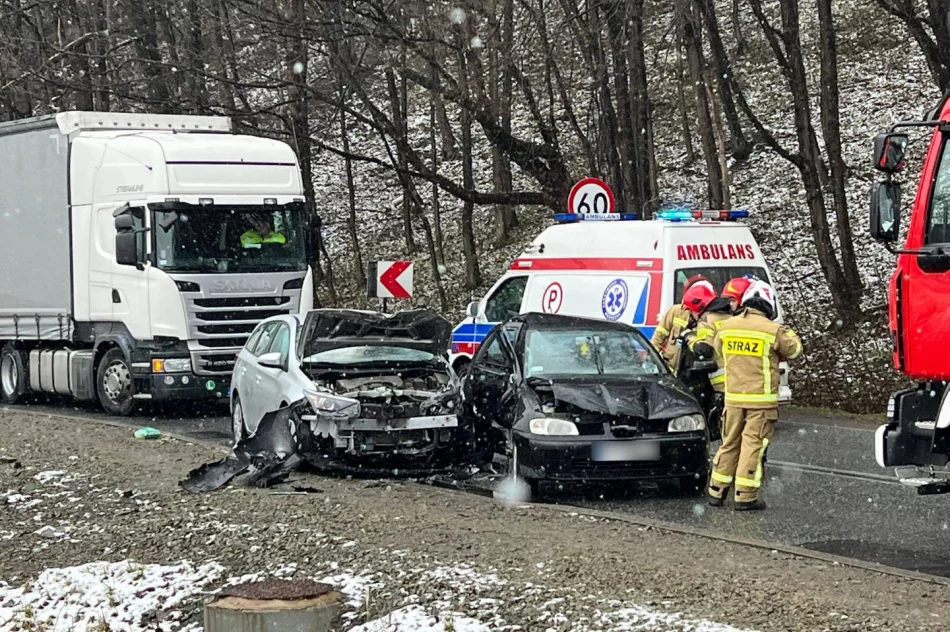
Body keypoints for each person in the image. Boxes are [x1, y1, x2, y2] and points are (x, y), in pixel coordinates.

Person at [707, 280, 802, 511]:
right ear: (768, 305)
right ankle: (745, 495)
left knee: (729, 443)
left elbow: (718, 350)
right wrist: (785, 329)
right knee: (753, 445)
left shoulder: (727, 327)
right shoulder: (773, 330)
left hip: (733, 398)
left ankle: (716, 490)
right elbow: (795, 349)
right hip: (760, 402)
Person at [651, 277, 714, 370]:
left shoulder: (709, 319)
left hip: (692, 369)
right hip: (670, 367)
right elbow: (658, 337)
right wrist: (651, 359)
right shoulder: (676, 311)